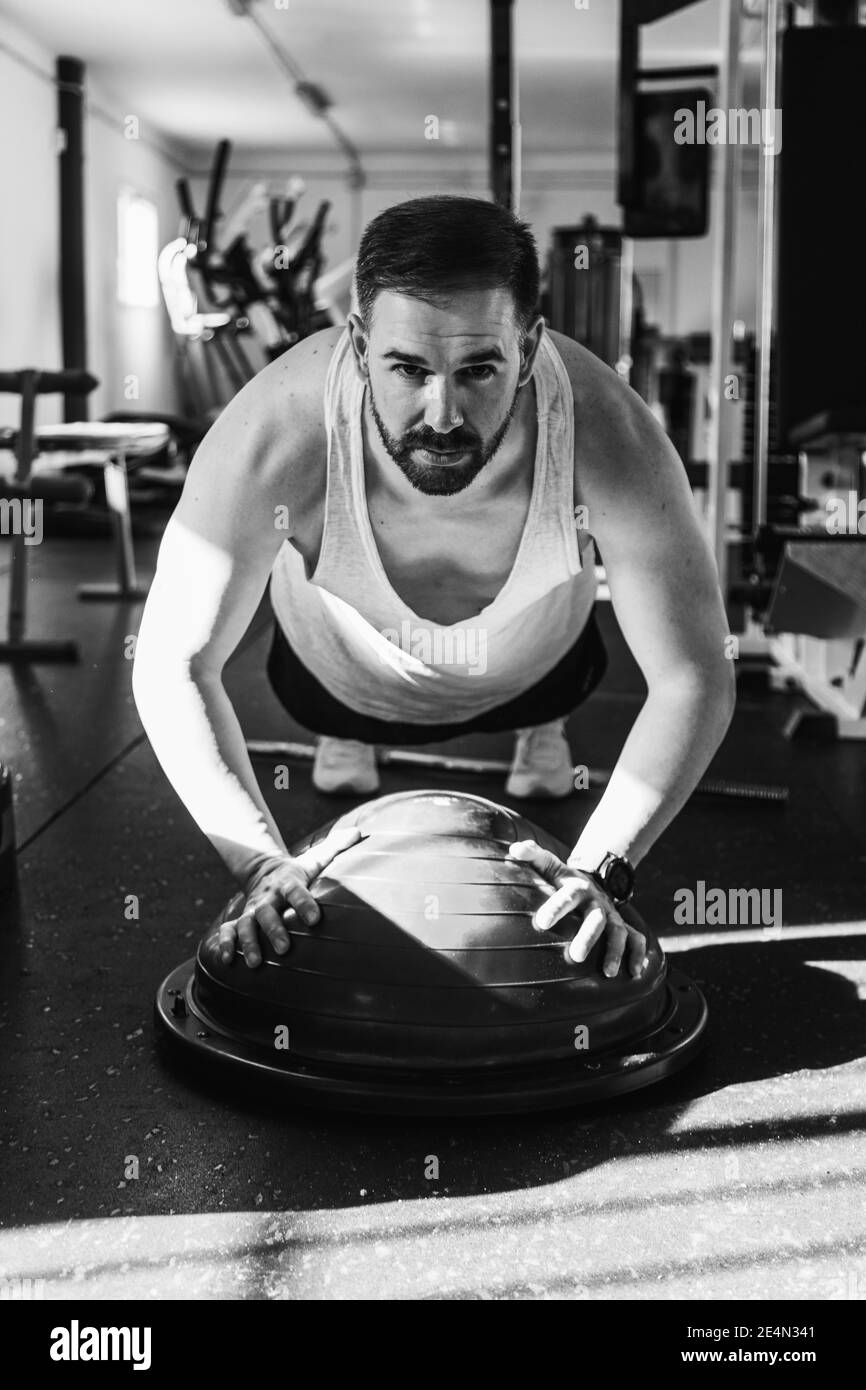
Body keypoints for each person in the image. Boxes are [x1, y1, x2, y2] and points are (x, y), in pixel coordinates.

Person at [132, 195, 735, 981]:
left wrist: (600, 869)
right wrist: (259, 866)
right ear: (356, 342)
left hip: (537, 673)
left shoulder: (608, 431)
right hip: (329, 682)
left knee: (554, 712)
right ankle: (354, 730)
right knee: (332, 722)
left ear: (529, 344)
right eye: (408, 369)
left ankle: (537, 731)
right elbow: (171, 660)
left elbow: (695, 672)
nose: (442, 414)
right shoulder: (276, 426)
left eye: (479, 370)